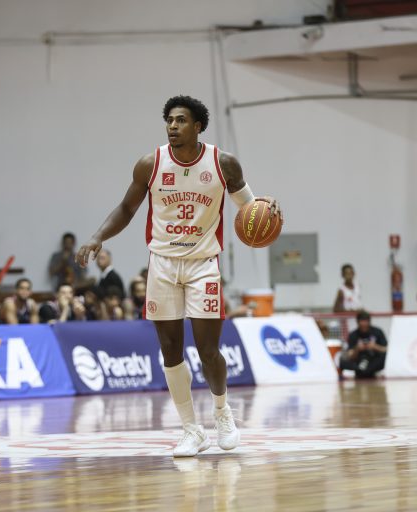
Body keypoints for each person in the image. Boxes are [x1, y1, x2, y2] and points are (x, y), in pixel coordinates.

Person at [77, 95, 281, 457]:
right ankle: (191, 429)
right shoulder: (150, 164)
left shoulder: (223, 163)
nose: (173, 126)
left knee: (208, 351)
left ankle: (222, 413)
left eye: (181, 120)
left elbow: (250, 210)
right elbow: (127, 208)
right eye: (169, 120)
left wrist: (267, 209)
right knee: (170, 351)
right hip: (163, 263)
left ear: (198, 126)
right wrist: (98, 236)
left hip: (203, 264)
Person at [339, 311, 387, 378]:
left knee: (385, 358)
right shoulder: (353, 334)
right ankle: (363, 370)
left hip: (374, 359)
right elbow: (350, 354)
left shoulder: (378, 332)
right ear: (358, 322)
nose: (364, 324)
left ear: (369, 321)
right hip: (359, 359)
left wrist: (375, 346)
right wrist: (357, 349)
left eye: (366, 321)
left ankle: (362, 371)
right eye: (362, 321)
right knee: (342, 361)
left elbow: (386, 349)